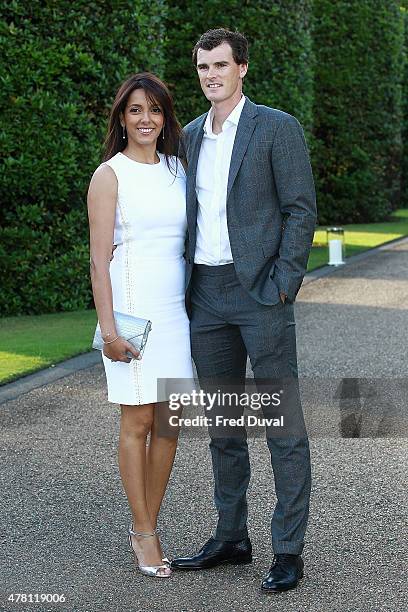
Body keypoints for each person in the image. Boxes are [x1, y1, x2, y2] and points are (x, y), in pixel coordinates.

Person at [171, 29, 317, 593]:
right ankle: (232, 537)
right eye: (203, 66)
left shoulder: (276, 127)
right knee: (224, 427)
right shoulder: (186, 137)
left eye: (221, 65)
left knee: (283, 426)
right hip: (205, 295)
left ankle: (287, 550)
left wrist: (284, 283)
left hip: (261, 293)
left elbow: (300, 210)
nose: (210, 74)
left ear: (242, 69)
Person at [87, 73, 194, 578]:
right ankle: (145, 532)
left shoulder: (179, 169)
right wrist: (109, 330)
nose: (145, 119)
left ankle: (145, 523)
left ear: (165, 117)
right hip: (132, 315)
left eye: (154, 109)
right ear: (122, 118)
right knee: (138, 421)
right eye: (134, 110)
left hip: (177, 314)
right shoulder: (109, 176)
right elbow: (98, 259)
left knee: (170, 423)